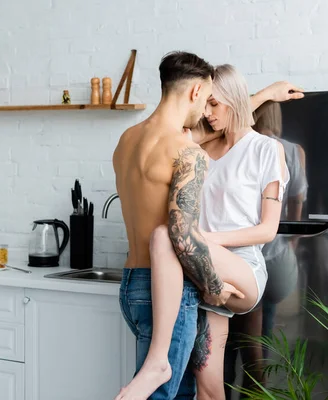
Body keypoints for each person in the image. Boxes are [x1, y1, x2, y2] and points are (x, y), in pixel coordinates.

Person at [116, 63, 304, 400]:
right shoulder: (199, 145)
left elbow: (267, 230)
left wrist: (200, 239)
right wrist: (193, 245)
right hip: (197, 268)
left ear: (232, 101)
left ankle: (157, 361)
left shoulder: (266, 149)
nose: (207, 112)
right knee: (209, 386)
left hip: (241, 267)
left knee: (164, 235)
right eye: (206, 103)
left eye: (215, 105)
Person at [223, 100, 308, 398]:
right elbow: (298, 200)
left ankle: (245, 387)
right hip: (281, 254)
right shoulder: (295, 151)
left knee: (239, 334)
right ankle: (258, 388)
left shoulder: (247, 147)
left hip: (251, 255)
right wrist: (293, 242)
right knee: (262, 325)